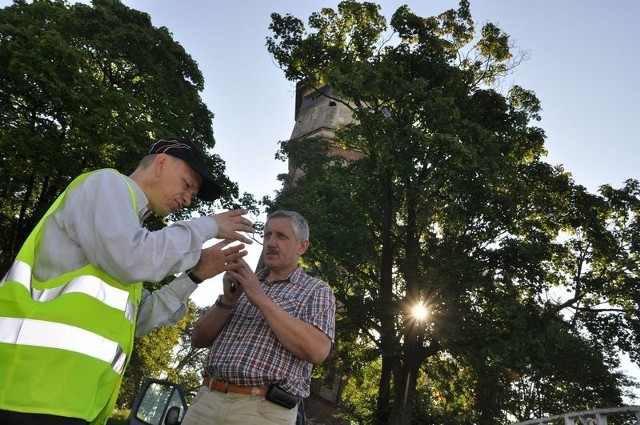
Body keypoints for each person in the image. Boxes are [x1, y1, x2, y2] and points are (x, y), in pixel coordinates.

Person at [0, 138, 255, 425]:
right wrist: (208, 225)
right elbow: (133, 257)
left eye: (192, 195)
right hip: (27, 392)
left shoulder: (125, 238)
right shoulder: (105, 184)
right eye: (186, 185)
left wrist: (194, 276)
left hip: (69, 402)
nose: (187, 199)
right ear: (161, 163)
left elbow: (137, 320)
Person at [183, 210, 336, 425]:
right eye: (267, 235)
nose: (271, 242)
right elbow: (198, 339)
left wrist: (260, 299)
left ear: (302, 246)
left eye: (281, 236)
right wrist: (227, 301)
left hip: (262, 411)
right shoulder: (246, 282)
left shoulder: (317, 290)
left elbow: (318, 351)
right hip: (206, 401)